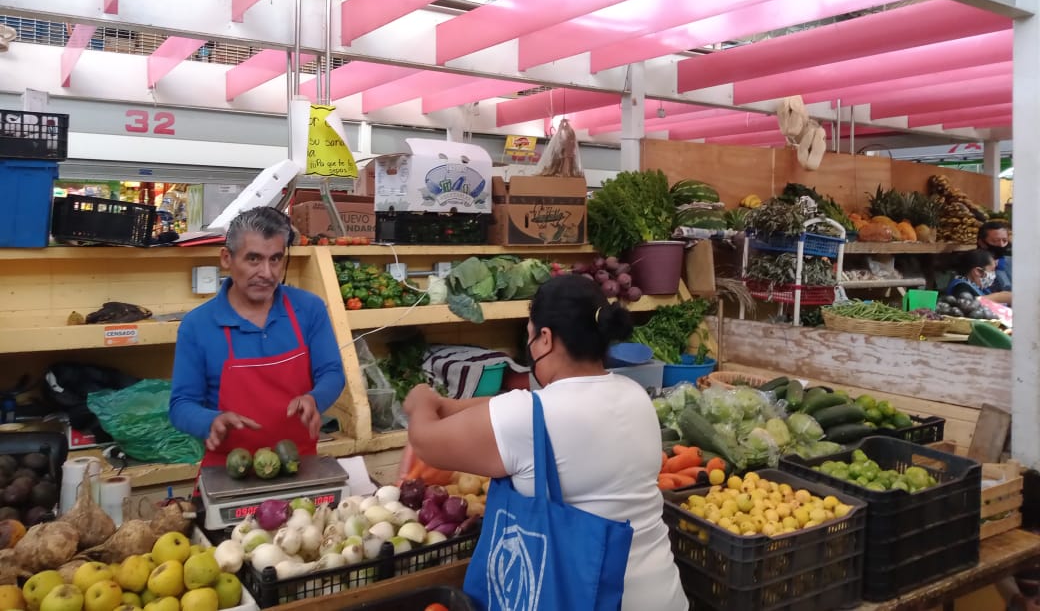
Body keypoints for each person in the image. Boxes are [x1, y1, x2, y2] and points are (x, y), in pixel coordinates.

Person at [403, 274, 687, 611]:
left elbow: (424, 441)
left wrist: (421, 398)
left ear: (546, 338)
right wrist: (445, 406)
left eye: (530, 337)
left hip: (584, 599)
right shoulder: (635, 395)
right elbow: (518, 406)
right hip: (662, 596)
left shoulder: (528, 418)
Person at [170, 207, 346, 465]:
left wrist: (315, 398)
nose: (267, 272)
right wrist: (210, 421)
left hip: (299, 464)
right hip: (228, 471)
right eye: (254, 259)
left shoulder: (309, 309)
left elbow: (332, 371)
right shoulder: (197, 326)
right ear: (226, 259)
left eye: (275, 259)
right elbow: (181, 404)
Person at [947, 248, 1012, 305]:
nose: (994, 274)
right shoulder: (961, 288)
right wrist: (998, 298)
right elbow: (965, 306)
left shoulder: (979, 287)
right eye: (992, 270)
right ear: (978, 271)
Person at [978, 220, 1013, 291]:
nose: (1001, 245)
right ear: (981, 243)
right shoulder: (974, 266)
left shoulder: (1013, 262)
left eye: (1004, 240)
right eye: (995, 241)